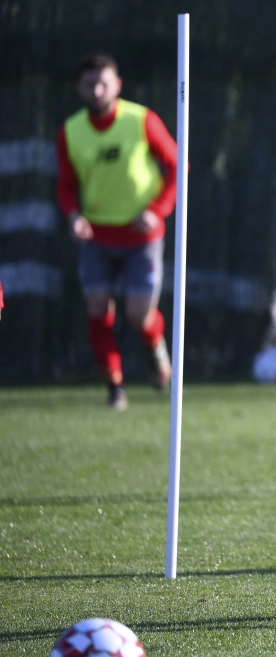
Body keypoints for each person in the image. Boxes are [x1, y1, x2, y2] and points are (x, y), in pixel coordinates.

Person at [56, 53, 177, 411]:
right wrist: (73, 215)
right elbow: (65, 185)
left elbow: (176, 166)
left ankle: (156, 350)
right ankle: (115, 386)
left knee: (139, 313)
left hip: (142, 234)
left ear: (118, 85)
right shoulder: (71, 131)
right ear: (79, 88)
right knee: (98, 308)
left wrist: (157, 211)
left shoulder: (141, 120)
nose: (97, 89)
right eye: (89, 83)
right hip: (97, 236)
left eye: (104, 82)